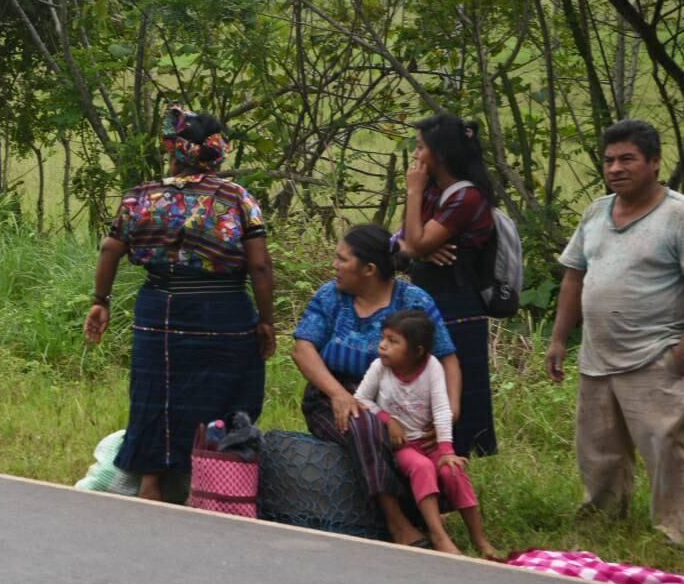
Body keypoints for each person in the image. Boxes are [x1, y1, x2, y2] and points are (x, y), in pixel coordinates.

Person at [84, 106, 276, 501]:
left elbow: (109, 249)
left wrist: (100, 301)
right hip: (224, 313)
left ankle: (151, 486)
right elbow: (259, 265)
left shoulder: (141, 197)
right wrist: (266, 320)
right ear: (217, 152)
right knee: (224, 393)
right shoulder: (237, 198)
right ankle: (207, 485)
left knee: (155, 394)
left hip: (159, 310)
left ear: (173, 150)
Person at [546, 119, 684, 545]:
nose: (616, 168)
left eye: (628, 159)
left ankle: (675, 531)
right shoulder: (596, 212)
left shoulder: (676, 215)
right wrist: (558, 339)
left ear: (655, 162)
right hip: (597, 356)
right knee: (598, 450)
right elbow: (574, 277)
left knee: (667, 448)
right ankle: (602, 522)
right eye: (609, 160)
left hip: (656, 355)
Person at [291, 224, 462, 547]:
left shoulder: (413, 301)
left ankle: (429, 509)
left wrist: (450, 412)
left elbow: (446, 357)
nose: (335, 266)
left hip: (400, 398)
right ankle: (397, 522)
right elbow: (303, 349)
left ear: (368, 269)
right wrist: (338, 395)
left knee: (420, 435)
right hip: (331, 396)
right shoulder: (331, 296)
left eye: (342, 259)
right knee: (365, 424)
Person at [354, 310, 497, 557]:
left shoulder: (432, 367)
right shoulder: (379, 368)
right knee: (422, 467)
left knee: (452, 470)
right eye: (383, 338)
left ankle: (480, 540)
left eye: (393, 341)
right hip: (403, 445)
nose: (383, 346)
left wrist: (446, 450)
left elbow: (442, 409)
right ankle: (438, 534)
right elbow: (361, 399)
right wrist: (388, 420)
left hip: (429, 443)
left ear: (417, 352)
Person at [397, 114, 497, 456]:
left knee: (457, 384)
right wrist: (419, 247)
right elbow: (402, 241)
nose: (416, 155)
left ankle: (456, 463)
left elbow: (413, 244)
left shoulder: (466, 198)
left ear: (440, 154)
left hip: (458, 305)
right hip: (430, 298)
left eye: (420, 147)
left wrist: (413, 193)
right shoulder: (433, 193)